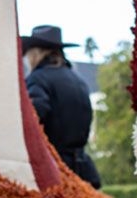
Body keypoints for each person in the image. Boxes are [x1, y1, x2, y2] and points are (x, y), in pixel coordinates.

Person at [22, 25, 104, 188]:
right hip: (82, 169)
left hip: (54, 169)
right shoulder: (78, 80)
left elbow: (33, 117)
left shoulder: (37, 79)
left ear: (36, 53)